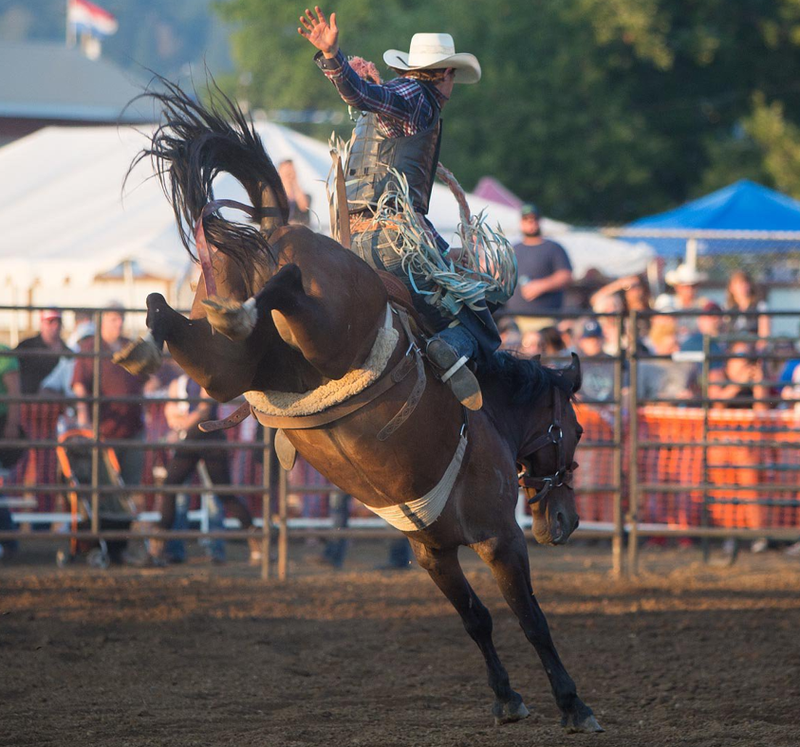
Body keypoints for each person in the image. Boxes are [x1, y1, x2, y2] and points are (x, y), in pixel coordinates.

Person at [301, 8, 498, 411]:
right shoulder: (418, 100)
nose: (453, 83)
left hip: (347, 239)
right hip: (394, 241)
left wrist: (345, 67)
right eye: (453, 75)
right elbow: (364, 95)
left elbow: (373, 102)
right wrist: (335, 59)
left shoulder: (390, 108)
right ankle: (445, 350)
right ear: (443, 73)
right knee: (480, 316)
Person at [149, 373, 260, 565]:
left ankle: (158, 548)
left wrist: (181, 425)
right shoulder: (182, 380)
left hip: (202, 436)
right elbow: (172, 409)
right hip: (202, 436)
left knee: (177, 488)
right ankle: (257, 543)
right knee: (217, 492)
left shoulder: (201, 378)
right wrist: (181, 424)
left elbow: (204, 410)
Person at [71, 304, 149, 495]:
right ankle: (105, 523)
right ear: (103, 321)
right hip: (104, 429)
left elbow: (146, 380)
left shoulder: (130, 345)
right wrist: (84, 417)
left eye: (121, 318)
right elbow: (79, 384)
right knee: (105, 485)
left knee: (130, 485)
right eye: (114, 319)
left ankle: (125, 523)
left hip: (132, 428)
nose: (119, 323)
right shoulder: (90, 348)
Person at [501, 203, 573, 332]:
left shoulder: (553, 248)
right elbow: (501, 276)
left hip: (547, 320)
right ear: (521, 222)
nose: (530, 223)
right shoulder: (512, 249)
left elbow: (566, 276)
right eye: (526, 219)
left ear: (540, 221)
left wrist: (541, 286)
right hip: (515, 320)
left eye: (534, 219)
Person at [0, 345, 22, 560]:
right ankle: (9, 541)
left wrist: (13, 424)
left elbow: (14, 391)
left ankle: (9, 541)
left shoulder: (4, 354)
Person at [15, 310, 70, 395]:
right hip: (28, 400)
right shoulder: (26, 346)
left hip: (58, 403)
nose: (55, 326)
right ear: (42, 324)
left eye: (58, 322)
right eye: (50, 321)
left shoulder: (68, 352)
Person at [654, 263, 708, 342]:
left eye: (693, 286)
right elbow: (660, 327)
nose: (689, 289)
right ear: (677, 286)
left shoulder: (703, 305)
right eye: (685, 286)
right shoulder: (666, 302)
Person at [725, 270, 770, 344]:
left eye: (745, 283)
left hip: (753, 351)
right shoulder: (727, 308)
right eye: (738, 283)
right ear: (731, 287)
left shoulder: (760, 306)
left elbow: (764, 336)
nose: (742, 286)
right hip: (732, 351)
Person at [576, 320, 615, 403]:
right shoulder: (574, 364)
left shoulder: (614, 362)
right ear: (581, 342)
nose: (594, 342)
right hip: (584, 411)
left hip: (610, 410)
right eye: (589, 339)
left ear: (603, 340)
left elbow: (625, 391)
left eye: (597, 338)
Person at [277, 159, 311, 226]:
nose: (289, 173)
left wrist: (294, 182)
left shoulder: (304, 196)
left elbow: (304, 207)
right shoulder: (275, 196)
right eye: (286, 170)